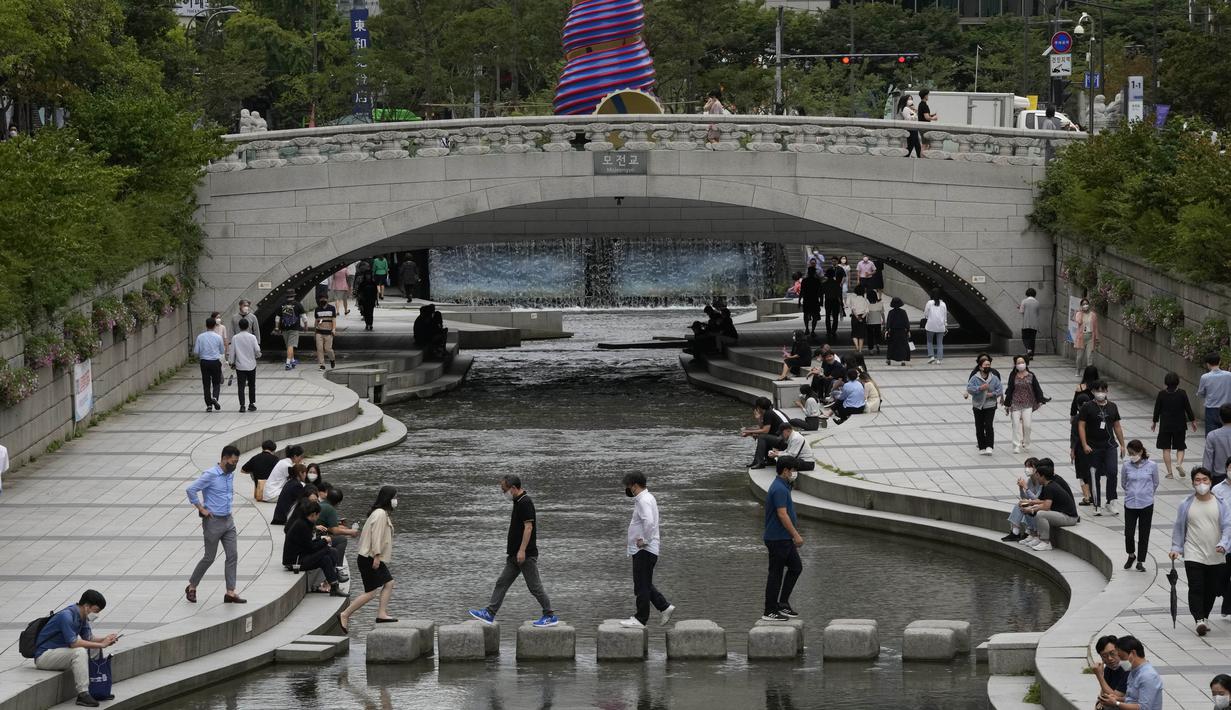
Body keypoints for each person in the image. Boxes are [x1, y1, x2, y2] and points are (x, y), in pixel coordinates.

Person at [468, 475, 559, 628]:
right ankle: (490, 613)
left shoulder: (525, 502)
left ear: (513, 488)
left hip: (525, 555)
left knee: (535, 587)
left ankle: (550, 615)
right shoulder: (517, 501)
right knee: (502, 583)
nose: (504, 493)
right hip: (514, 556)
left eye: (504, 490)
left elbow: (528, 527)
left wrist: (522, 551)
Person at [1169, 467, 1231, 636]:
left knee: (1211, 589)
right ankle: (1198, 620)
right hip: (1193, 552)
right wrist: (1176, 548)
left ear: (1211, 482)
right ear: (1192, 483)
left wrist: (1224, 544)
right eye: (1198, 480)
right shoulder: (1186, 504)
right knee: (1196, 586)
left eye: (1205, 480)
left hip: (1216, 554)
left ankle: (1205, 616)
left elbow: (1227, 527)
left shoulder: (1220, 503)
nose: (1201, 483)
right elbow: (1179, 528)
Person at [32, 590, 117, 707]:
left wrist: (105, 639)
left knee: (94, 649)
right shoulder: (66, 616)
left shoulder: (82, 617)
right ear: (87, 606)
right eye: (96, 611)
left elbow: (89, 638)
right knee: (79, 652)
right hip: (44, 656)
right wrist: (102, 644)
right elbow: (73, 643)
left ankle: (96, 688)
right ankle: (83, 694)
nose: (97, 614)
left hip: (60, 653)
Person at [185, 445, 245, 604]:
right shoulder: (210, 474)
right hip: (213, 522)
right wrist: (201, 508)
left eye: (237, 462)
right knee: (209, 557)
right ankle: (192, 586)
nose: (235, 465)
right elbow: (191, 489)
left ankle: (230, 592)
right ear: (224, 459)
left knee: (232, 555)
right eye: (233, 461)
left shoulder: (229, 475)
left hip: (228, 520)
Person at [337, 486, 399, 632]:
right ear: (388, 499)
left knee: (389, 583)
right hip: (370, 557)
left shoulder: (380, 513)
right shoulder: (380, 514)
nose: (396, 501)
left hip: (370, 556)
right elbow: (376, 536)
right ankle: (344, 614)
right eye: (395, 497)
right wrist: (377, 556)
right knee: (371, 592)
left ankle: (381, 614)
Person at [619, 473, 675, 628]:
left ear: (635, 485)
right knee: (643, 583)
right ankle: (664, 607)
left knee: (641, 586)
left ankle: (640, 619)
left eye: (628, 486)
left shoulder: (643, 500)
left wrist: (645, 541)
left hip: (645, 550)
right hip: (645, 550)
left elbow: (649, 522)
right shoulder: (647, 498)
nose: (627, 489)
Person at [762, 456, 804, 622]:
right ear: (785, 470)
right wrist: (796, 534)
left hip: (784, 538)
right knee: (775, 575)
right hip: (777, 538)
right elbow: (782, 514)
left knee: (796, 567)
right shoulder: (779, 488)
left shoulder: (783, 485)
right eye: (793, 470)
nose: (795, 473)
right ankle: (769, 610)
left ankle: (783, 603)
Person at [1078, 380, 1127, 516]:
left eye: (1103, 390)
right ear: (1093, 392)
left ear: (1107, 391)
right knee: (1095, 475)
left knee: (1112, 472)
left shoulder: (1113, 406)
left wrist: (1122, 444)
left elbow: (1117, 426)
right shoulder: (1087, 407)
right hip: (1093, 447)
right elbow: (1081, 425)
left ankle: (1111, 501)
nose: (1100, 393)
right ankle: (1097, 504)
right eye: (1097, 390)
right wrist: (1084, 444)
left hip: (1110, 445)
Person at [283, 500, 347, 596]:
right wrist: (325, 541)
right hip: (295, 562)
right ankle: (336, 574)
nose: (318, 517)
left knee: (325, 558)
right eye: (318, 515)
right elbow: (311, 548)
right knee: (329, 550)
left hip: (301, 556)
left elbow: (307, 544)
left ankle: (334, 586)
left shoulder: (304, 522)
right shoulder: (302, 525)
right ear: (313, 514)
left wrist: (321, 540)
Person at [1019, 458, 1079, 552]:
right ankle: (1035, 535)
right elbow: (1041, 500)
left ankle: (1045, 542)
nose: (1036, 477)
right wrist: (1029, 503)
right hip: (1061, 514)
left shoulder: (1050, 487)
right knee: (1030, 508)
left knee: (1040, 514)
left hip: (1069, 517)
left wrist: (1031, 509)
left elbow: (1046, 507)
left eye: (1037, 475)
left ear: (1042, 476)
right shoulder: (1048, 485)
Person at [1122, 440, 1160, 572]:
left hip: (1146, 504)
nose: (1131, 456)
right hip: (1130, 504)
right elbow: (1123, 483)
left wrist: (1147, 494)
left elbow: (1155, 483)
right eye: (1129, 453)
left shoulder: (1152, 466)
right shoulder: (1126, 466)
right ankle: (1131, 555)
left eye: (1133, 453)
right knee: (1129, 533)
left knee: (1144, 534)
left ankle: (1140, 561)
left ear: (1141, 451)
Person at [1153, 371, 1197, 479]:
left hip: (1165, 425)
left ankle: (1169, 473)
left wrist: (1154, 421)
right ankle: (1178, 463)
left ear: (1166, 382)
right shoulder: (1182, 393)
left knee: (1166, 448)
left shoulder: (1162, 394)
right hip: (1180, 424)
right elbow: (1188, 408)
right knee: (1180, 446)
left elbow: (1157, 409)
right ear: (1177, 382)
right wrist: (1193, 421)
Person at [1098, 636, 1163, 710]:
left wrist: (1116, 703)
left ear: (1133, 653)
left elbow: (1144, 708)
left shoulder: (1148, 676)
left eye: (1122, 657)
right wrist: (1118, 698)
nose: (1120, 661)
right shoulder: (1133, 672)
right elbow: (1132, 698)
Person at [1004, 355, 1049, 454]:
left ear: (1026, 363)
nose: (1021, 364)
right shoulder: (1013, 376)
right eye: (1018, 363)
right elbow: (1010, 390)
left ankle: (1026, 442)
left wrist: (1041, 399)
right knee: (1015, 425)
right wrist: (1007, 404)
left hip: (1027, 404)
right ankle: (1016, 445)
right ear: (1015, 365)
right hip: (1015, 404)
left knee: (1027, 425)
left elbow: (1037, 388)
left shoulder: (1031, 375)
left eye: (1022, 362)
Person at [1072, 365, 1100, 506]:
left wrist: (1073, 417)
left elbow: (1073, 406)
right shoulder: (1097, 390)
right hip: (1093, 440)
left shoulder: (1080, 388)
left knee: (1082, 472)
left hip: (1081, 446)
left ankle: (1087, 496)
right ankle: (1094, 495)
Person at [741, 397, 791, 469]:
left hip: (784, 442)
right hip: (781, 440)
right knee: (763, 436)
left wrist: (748, 431)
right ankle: (768, 460)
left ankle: (760, 462)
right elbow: (762, 428)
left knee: (762, 437)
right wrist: (759, 418)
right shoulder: (767, 413)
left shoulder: (768, 413)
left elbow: (765, 430)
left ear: (758, 407)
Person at [967, 357, 1004, 454]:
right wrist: (980, 388)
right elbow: (969, 389)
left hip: (990, 405)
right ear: (980, 367)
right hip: (978, 405)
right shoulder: (975, 378)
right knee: (979, 426)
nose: (987, 367)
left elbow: (1000, 390)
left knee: (988, 425)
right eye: (985, 365)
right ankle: (981, 446)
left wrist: (992, 394)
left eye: (989, 365)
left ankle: (989, 446)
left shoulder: (994, 378)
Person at [1004, 457, 1041, 544]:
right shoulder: (1030, 480)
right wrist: (1021, 488)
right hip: (1033, 503)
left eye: (1029, 467)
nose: (1027, 469)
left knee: (1025, 505)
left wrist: (1026, 488)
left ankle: (1027, 532)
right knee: (1020, 504)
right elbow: (1024, 497)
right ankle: (1015, 532)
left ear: (1035, 468)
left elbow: (1037, 499)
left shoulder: (1040, 480)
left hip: (1040, 504)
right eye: (1026, 467)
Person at [193, 317, 225, 413]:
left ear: (206, 325)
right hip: (215, 361)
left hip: (204, 362)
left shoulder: (200, 337)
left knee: (206, 384)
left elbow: (196, 351)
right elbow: (222, 351)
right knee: (216, 382)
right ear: (215, 326)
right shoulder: (218, 337)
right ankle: (215, 397)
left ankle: (209, 405)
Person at [229, 318, 260, 413]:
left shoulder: (235, 338)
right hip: (251, 365)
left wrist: (231, 362)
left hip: (240, 365)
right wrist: (258, 356)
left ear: (239, 326)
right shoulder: (252, 337)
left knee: (241, 386)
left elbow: (232, 352)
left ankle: (242, 405)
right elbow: (257, 350)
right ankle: (251, 404)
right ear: (248, 326)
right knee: (252, 385)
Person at [1092, 634, 1130, 709]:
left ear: (1119, 650)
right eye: (1104, 656)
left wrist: (1099, 675)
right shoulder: (1109, 668)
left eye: (1112, 653)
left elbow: (1114, 697)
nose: (1109, 658)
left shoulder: (1127, 669)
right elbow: (1103, 694)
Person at [1198, 353, 1231, 435]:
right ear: (1219, 362)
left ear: (1207, 364)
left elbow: (1201, 393)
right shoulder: (1229, 375)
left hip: (1211, 409)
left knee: (1211, 435)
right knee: (1227, 434)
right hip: (1227, 408)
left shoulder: (1205, 377)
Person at [273, 293, 305, 370]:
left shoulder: (282, 305)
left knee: (289, 346)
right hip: (294, 328)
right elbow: (304, 317)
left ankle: (293, 361)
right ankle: (288, 363)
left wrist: (277, 327)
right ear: (294, 296)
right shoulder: (298, 305)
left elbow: (277, 318)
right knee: (291, 346)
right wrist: (305, 326)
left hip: (284, 328)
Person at [1204, 405, 1231, 482]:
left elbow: (1207, 461)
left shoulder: (1212, 435)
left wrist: (1206, 479)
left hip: (1219, 477)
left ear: (1220, 418)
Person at [1074, 297, 1099, 376]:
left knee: (1089, 357)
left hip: (1090, 337)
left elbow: (1095, 327)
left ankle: (1089, 374)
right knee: (1079, 357)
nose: (1085, 305)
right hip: (1081, 337)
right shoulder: (1079, 314)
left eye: (1086, 304)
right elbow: (1078, 321)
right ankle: (1078, 370)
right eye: (1083, 304)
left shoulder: (1093, 315)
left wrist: (1097, 338)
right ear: (1081, 305)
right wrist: (1081, 312)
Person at [312, 294, 337, 372]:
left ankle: (332, 359)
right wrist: (315, 332)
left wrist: (333, 329)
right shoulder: (317, 309)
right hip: (319, 332)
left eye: (324, 299)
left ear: (327, 299)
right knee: (319, 349)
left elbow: (333, 319)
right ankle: (322, 365)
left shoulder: (332, 308)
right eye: (321, 299)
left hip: (329, 332)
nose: (322, 300)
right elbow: (316, 321)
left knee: (328, 349)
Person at [885, 297, 912, 366]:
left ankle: (889, 359)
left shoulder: (891, 312)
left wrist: (887, 330)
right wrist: (908, 330)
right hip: (902, 331)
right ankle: (903, 360)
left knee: (891, 346)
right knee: (902, 346)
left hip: (893, 332)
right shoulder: (903, 312)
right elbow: (906, 322)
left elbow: (888, 322)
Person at [922, 289, 948, 364]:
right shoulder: (943, 304)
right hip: (941, 326)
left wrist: (928, 317)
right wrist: (945, 324)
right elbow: (945, 316)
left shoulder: (929, 303)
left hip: (930, 325)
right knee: (940, 343)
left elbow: (926, 313)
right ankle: (939, 359)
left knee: (929, 341)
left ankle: (931, 356)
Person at [821, 268, 844, 342]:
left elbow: (821, 294)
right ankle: (833, 331)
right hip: (835, 301)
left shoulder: (824, 284)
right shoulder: (837, 283)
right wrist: (842, 304)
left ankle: (828, 331)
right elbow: (840, 295)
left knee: (827, 316)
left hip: (828, 300)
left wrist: (821, 302)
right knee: (835, 317)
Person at [798, 266, 822, 336]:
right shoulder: (817, 281)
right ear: (814, 273)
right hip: (814, 300)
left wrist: (799, 301)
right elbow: (820, 292)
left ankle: (807, 329)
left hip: (807, 299)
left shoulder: (805, 281)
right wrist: (821, 301)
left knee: (806, 314)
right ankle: (812, 330)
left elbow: (802, 291)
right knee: (814, 316)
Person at [847, 286, 870, 353]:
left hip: (854, 317)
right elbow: (867, 311)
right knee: (861, 335)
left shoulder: (853, 299)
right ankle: (860, 350)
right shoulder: (865, 300)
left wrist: (857, 317)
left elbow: (853, 309)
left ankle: (856, 347)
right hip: (863, 318)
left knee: (854, 333)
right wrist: (862, 317)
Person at [1019, 288, 1040, 356]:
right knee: (1032, 339)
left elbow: (1021, 311)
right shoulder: (1037, 302)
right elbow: (1037, 313)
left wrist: (1020, 308)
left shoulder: (1024, 301)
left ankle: (1028, 349)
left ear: (1027, 294)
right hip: (1034, 324)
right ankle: (1031, 355)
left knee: (1025, 337)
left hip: (1026, 323)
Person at [864, 289, 884, 354]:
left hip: (869, 322)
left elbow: (865, 313)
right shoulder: (880, 304)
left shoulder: (867, 305)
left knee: (870, 336)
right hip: (878, 322)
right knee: (877, 334)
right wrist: (884, 320)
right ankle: (878, 344)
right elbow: (882, 313)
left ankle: (871, 350)